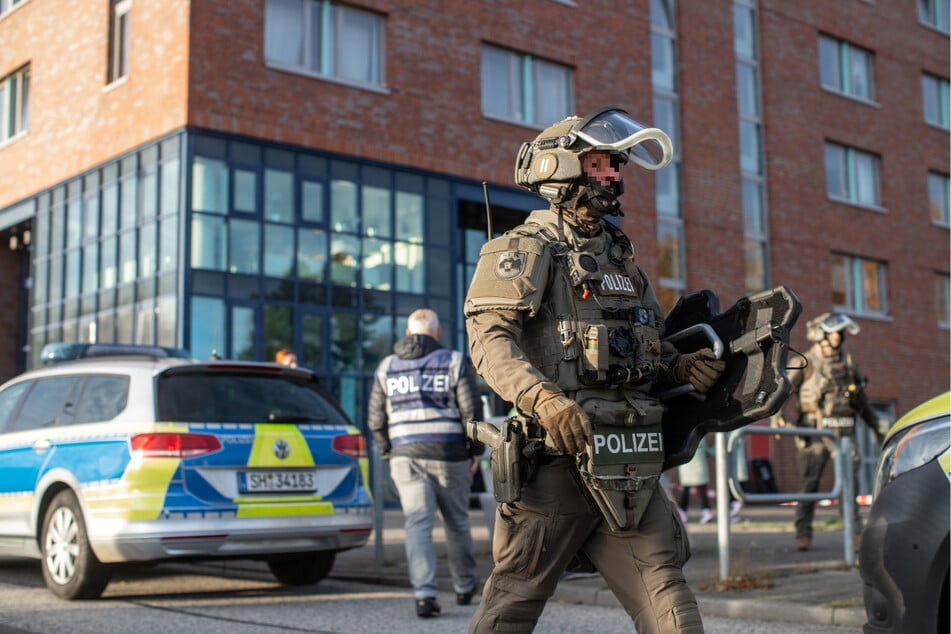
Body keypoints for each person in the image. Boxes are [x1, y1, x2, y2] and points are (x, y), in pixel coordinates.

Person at [463, 106, 726, 633]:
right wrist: (545, 400)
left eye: (617, 166)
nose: (614, 176)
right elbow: (489, 342)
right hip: (555, 463)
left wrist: (679, 368)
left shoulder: (621, 259)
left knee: (671, 608)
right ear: (559, 169)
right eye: (603, 164)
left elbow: (647, 345)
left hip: (628, 463)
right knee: (511, 606)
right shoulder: (524, 248)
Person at [367, 308, 483, 618]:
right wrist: (475, 451)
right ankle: (463, 587)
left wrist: (388, 452)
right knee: (457, 523)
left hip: (406, 456)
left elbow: (376, 419)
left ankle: (424, 595)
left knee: (417, 523)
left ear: (408, 334)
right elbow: (471, 412)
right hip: (449, 455)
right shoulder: (454, 361)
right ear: (438, 333)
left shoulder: (387, 367)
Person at [773, 312, 884, 551]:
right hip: (813, 431)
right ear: (822, 334)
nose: (839, 336)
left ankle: (854, 534)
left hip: (842, 432)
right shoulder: (808, 361)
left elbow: (861, 401)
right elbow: (785, 389)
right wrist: (777, 417)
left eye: (840, 332)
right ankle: (803, 533)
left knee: (848, 482)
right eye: (835, 331)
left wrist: (877, 428)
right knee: (809, 483)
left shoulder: (847, 362)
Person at [677, 439, 713, 524]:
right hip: (699, 468)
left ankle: (683, 512)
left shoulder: (686, 438)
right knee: (702, 491)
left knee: (686, 491)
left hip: (687, 468)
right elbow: (706, 450)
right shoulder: (701, 438)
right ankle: (706, 511)